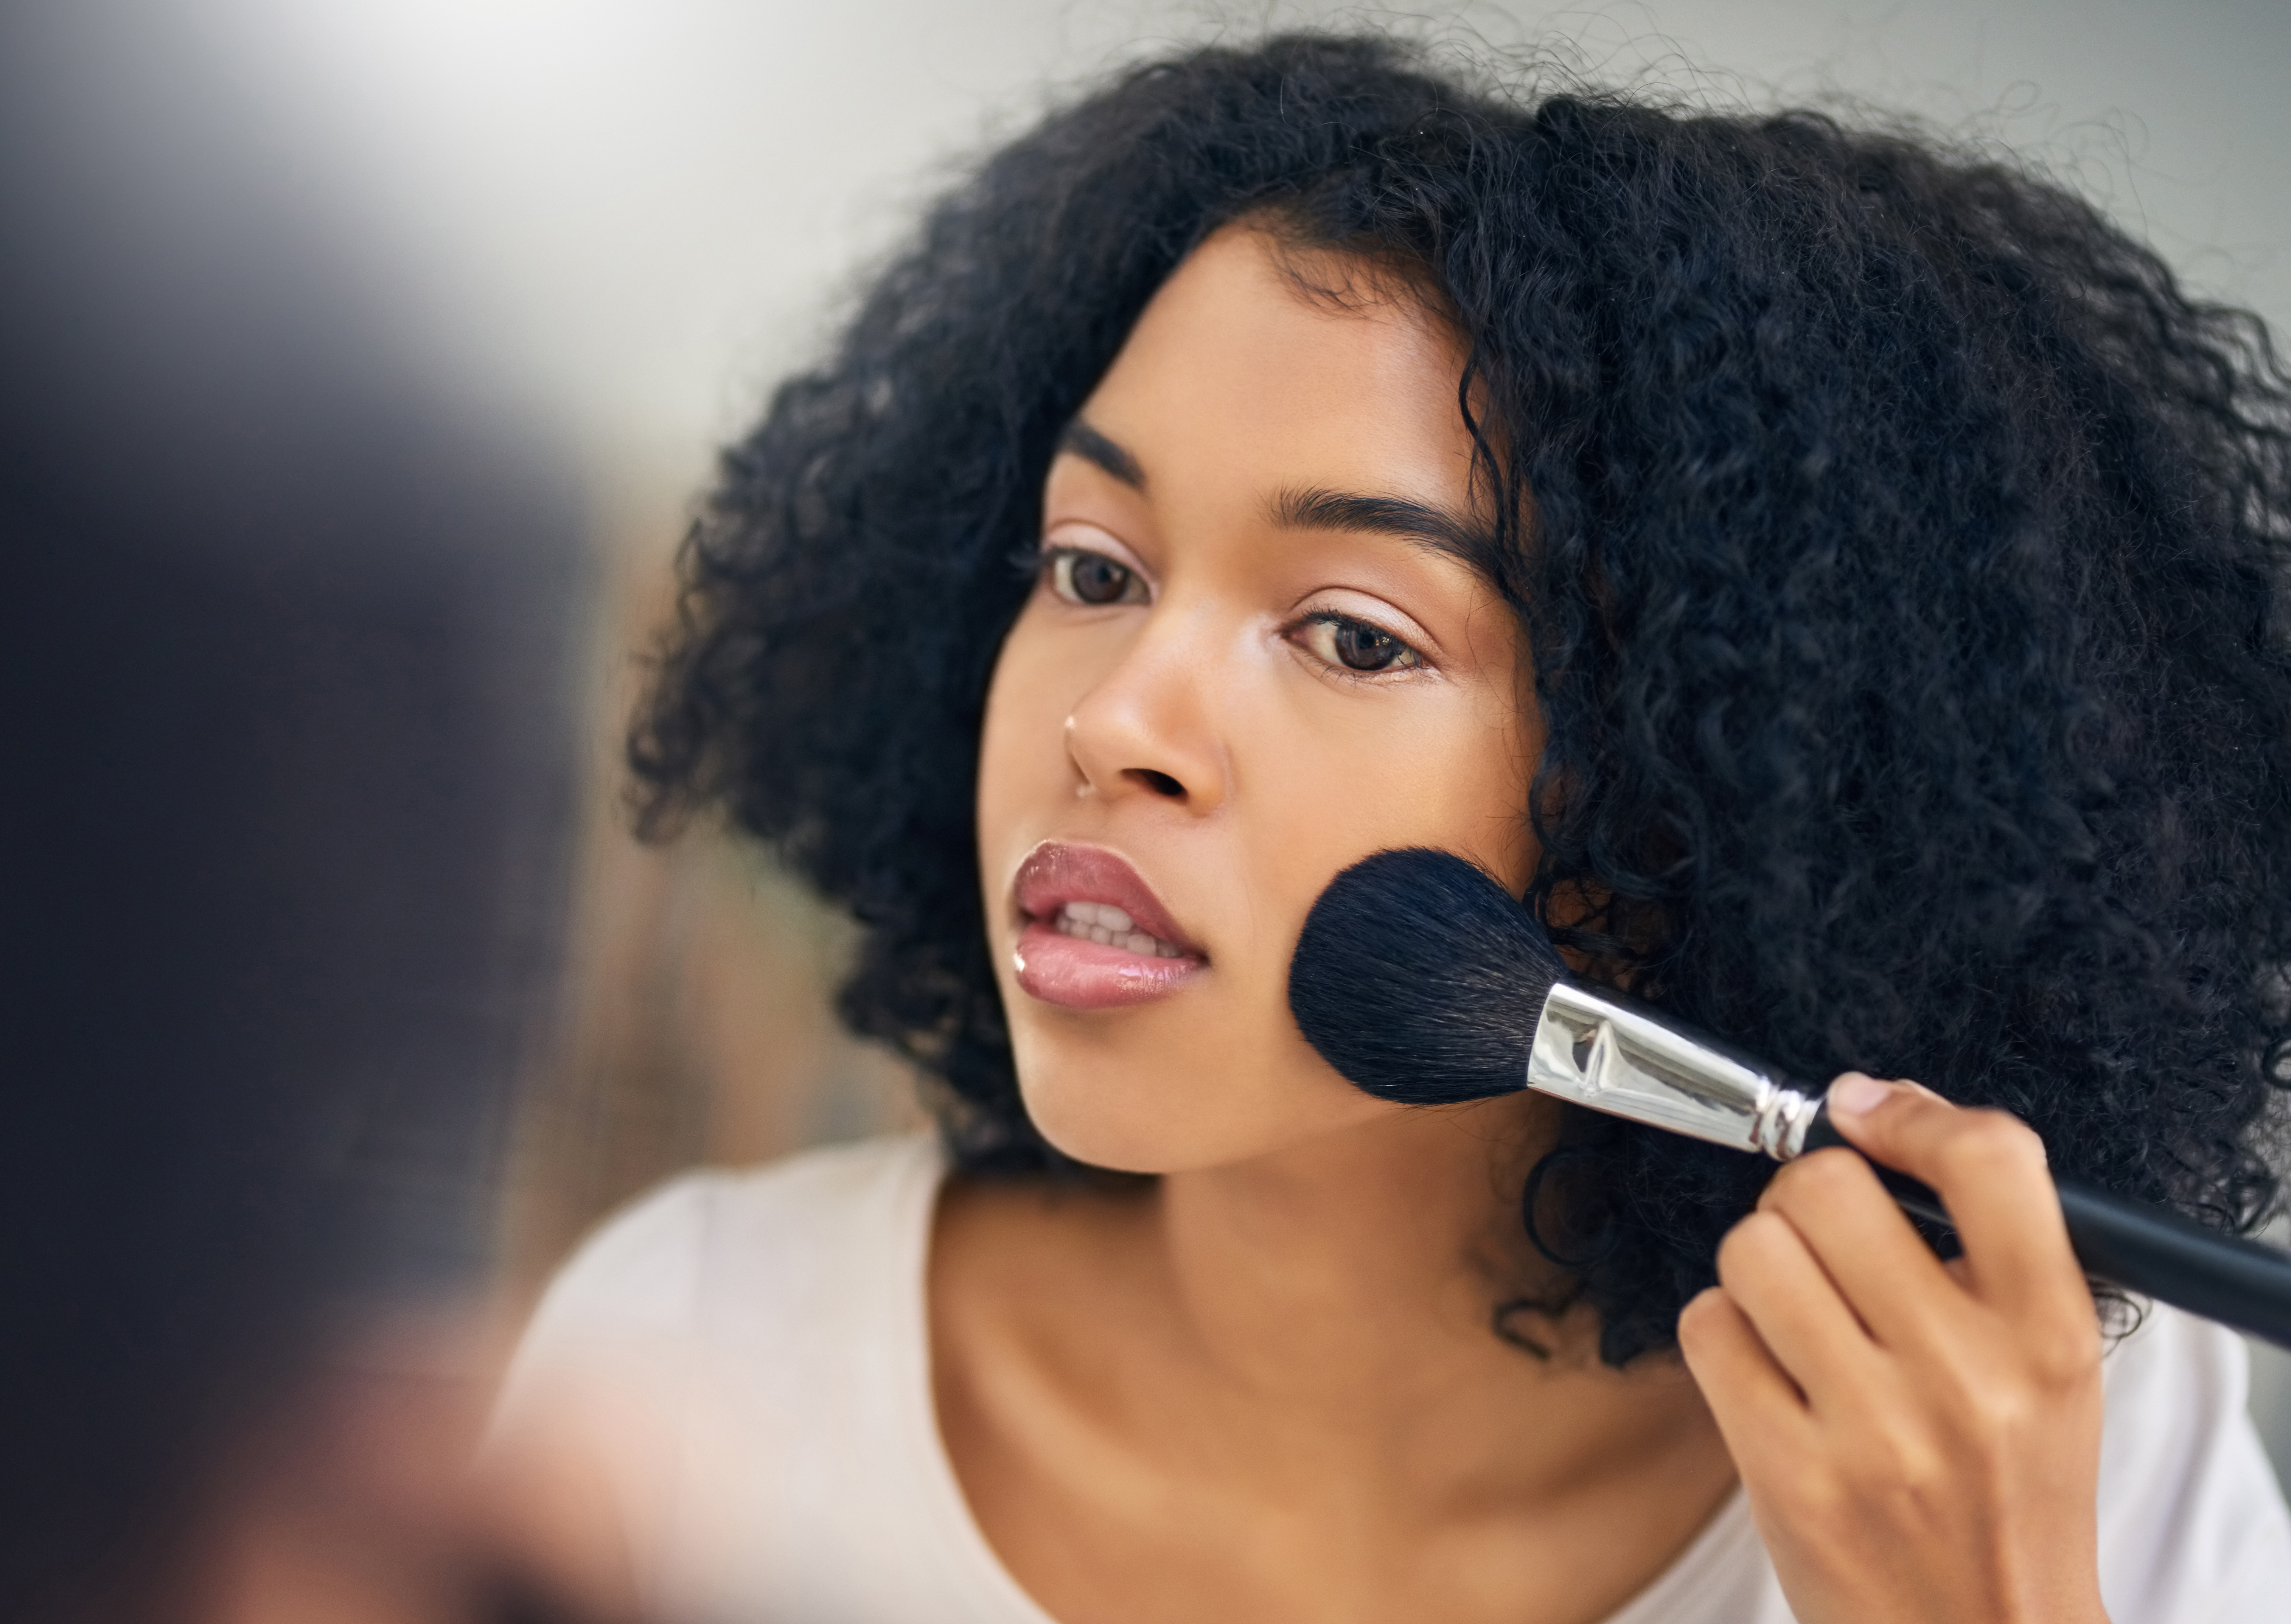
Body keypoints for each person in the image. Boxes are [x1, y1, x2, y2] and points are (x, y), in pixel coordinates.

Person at [490, 32, 2291, 1623]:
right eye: (1090, 569)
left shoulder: (2038, 1443)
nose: (1111, 720)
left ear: (1688, 792)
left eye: (1353, 633)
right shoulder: (686, 1373)